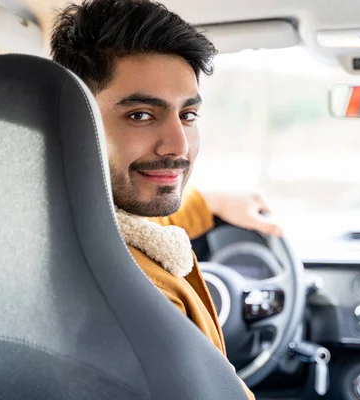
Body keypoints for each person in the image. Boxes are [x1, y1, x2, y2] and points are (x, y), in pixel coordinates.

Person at [51, 1, 282, 397]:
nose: (179, 145)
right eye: (141, 115)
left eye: (188, 115)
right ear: (72, 121)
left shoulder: (70, 219)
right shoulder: (136, 298)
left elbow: (142, 223)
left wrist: (206, 203)